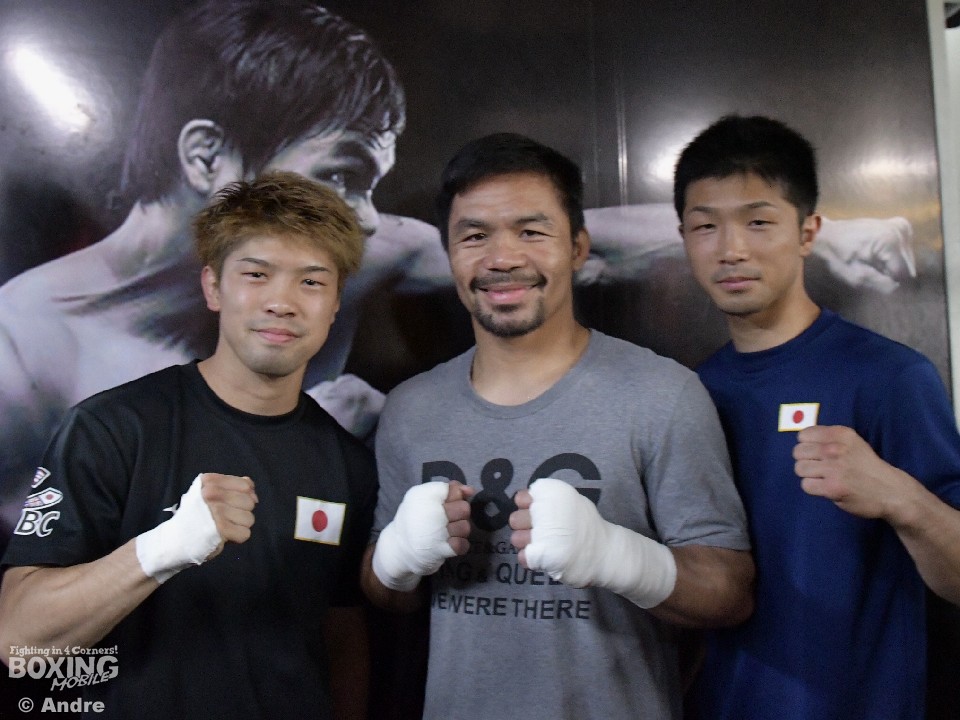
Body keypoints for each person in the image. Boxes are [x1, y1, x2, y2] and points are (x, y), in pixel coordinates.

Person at [0, 0, 917, 549]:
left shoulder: (352, 247)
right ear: (208, 158)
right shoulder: (28, 345)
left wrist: (822, 237)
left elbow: (573, 244)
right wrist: (158, 544)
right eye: (342, 174)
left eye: (312, 283)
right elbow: (30, 603)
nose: (366, 220)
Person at [360, 132, 755, 720]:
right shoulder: (410, 410)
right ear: (449, 254)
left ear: (577, 247)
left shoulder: (663, 395)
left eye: (531, 232)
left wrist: (620, 557)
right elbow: (386, 597)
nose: (502, 259)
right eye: (475, 236)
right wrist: (395, 562)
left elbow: (730, 593)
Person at [0, 171, 377, 719]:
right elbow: (18, 640)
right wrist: (159, 551)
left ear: (336, 302)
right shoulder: (111, 429)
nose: (282, 302)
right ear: (213, 287)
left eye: (312, 282)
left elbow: (341, 636)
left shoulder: (349, 462)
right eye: (256, 274)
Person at [674, 114, 960, 720]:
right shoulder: (690, 392)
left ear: (808, 232)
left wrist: (902, 499)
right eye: (705, 226)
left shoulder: (889, 377)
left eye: (758, 221)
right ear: (684, 238)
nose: (731, 249)